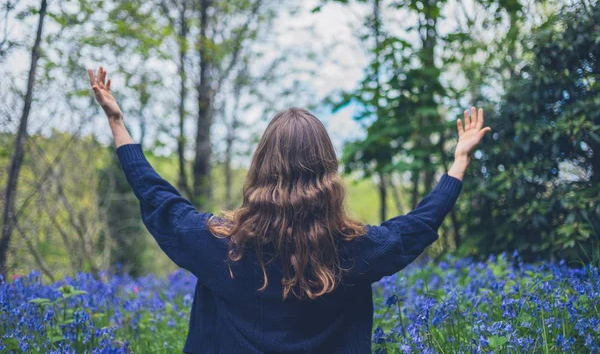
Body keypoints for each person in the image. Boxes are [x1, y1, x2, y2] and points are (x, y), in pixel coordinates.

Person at [88, 66, 491, 354]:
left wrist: (118, 122)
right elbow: (417, 226)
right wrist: (459, 161)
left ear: (261, 166)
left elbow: (158, 198)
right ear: (327, 174)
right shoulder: (352, 251)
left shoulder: (217, 245)